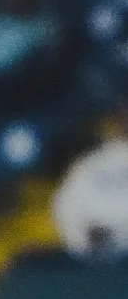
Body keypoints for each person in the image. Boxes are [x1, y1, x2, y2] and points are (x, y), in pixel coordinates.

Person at [53, 98, 128, 261]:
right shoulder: (93, 162)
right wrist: (83, 236)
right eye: (124, 115)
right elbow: (66, 205)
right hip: (92, 262)